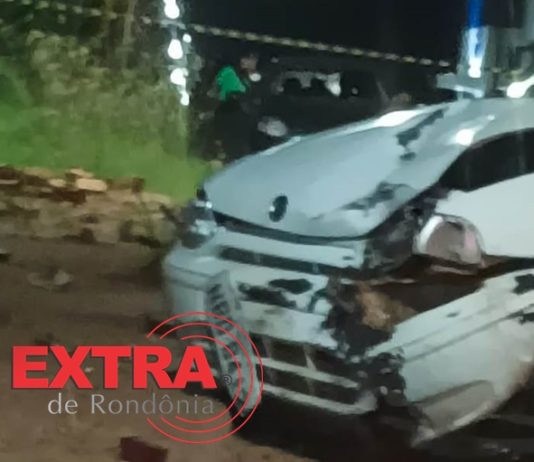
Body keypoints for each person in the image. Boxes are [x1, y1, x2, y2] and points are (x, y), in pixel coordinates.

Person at [213, 52, 259, 160]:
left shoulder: (249, 77)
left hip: (234, 114)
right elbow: (216, 88)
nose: (254, 62)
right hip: (231, 112)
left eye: (255, 60)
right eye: (252, 59)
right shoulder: (229, 72)